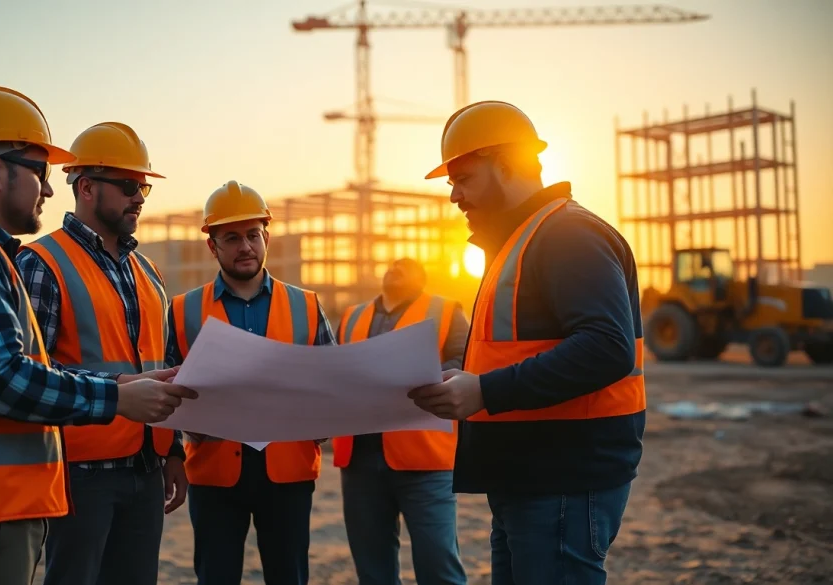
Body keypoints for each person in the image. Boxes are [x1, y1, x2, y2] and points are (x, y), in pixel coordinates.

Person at [0, 86, 196, 585]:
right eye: (40, 172)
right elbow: (1, 379)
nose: (48, 190)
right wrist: (117, 397)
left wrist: (146, 412)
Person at [408, 100, 646, 585]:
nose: (454, 195)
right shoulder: (523, 241)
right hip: (530, 475)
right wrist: (468, 382)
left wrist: (484, 392)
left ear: (507, 165)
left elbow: (606, 347)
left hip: (563, 479)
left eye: (464, 178)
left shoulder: (568, 235)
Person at [16, 121, 188, 585]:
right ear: (86, 187)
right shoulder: (41, 263)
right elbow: (29, 375)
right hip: (80, 475)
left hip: (146, 470)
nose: (139, 198)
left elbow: (162, 368)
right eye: (130, 186)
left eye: (144, 188)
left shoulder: (147, 272)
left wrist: (174, 450)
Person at [164, 180, 336, 585]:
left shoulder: (306, 305)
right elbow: (166, 390)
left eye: (253, 235)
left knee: (288, 576)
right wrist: (173, 451)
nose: (245, 246)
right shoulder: (183, 309)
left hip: (288, 472)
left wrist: (324, 420)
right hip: (214, 473)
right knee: (216, 576)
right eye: (232, 237)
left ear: (267, 237)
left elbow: (333, 382)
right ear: (213, 246)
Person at [332, 257, 469, 585]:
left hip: (425, 460)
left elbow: (464, 360)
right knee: (372, 569)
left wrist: (419, 374)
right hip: (359, 460)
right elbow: (333, 366)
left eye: (406, 263)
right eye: (393, 263)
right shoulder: (352, 315)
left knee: (438, 565)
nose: (396, 266)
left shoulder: (446, 310)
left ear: (422, 277)